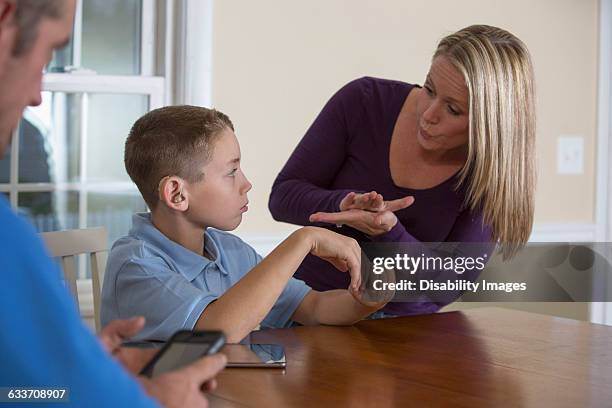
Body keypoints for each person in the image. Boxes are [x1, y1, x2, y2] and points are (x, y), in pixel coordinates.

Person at [0, 1, 225, 406]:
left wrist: (76, 373)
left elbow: (18, 393)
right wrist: (155, 400)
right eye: (49, 51)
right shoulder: (8, 244)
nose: (37, 95)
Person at [269, 25, 536, 317]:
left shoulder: (490, 173)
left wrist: (390, 232)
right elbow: (282, 198)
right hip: (306, 307)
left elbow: (449, 284)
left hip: (404, 332)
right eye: (429, 89)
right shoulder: (363, 101)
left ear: (491, 124)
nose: (429, 114)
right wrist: (343, 202)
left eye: (454, 110)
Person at [101, 105, 389, 343]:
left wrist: (365, 300)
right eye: (232, 171)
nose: (246, 184)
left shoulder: (229, 252)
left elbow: (312, 308)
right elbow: (219, 330)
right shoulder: (136, 266)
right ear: (177, 194)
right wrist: (304, 240)